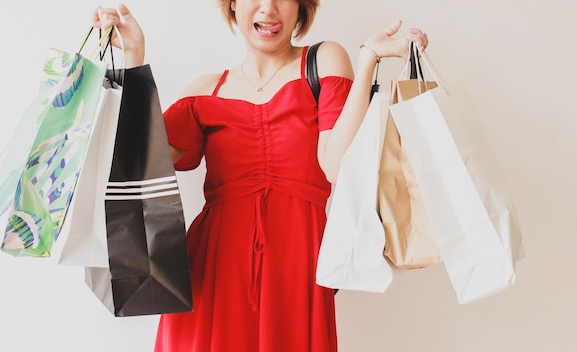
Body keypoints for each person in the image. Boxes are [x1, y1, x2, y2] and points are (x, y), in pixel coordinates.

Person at [95, 1, 428, 351]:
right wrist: (134, 55)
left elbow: (336, 166)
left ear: (300, 8)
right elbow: (138, 166)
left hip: (296, 263)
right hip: (213, 269)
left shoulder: (323, 60)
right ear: (234, 5)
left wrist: (368, 61)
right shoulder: (205, 89)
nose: (268, 8)